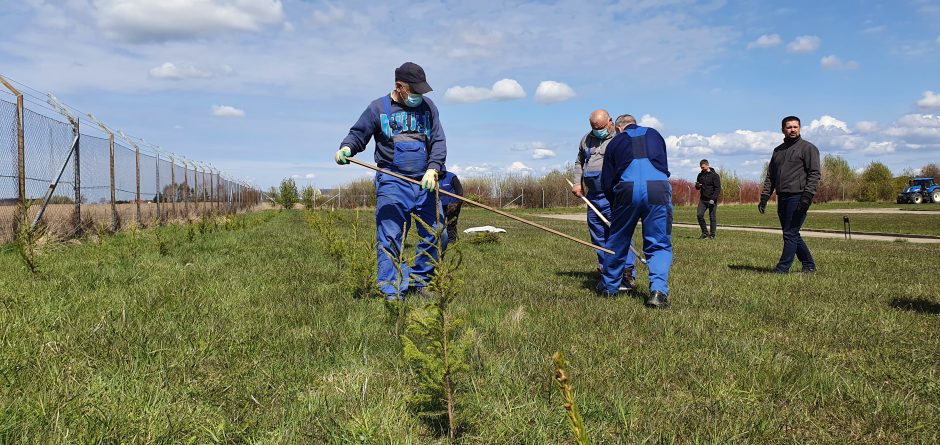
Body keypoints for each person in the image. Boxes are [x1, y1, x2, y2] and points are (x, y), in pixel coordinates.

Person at [335, 62, 447, 299]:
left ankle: (420, 281)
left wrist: (433, 169)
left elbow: (438, 140)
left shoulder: (428, 108)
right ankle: (392, 291)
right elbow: (358, 134)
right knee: (390, 236)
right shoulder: (378, 108)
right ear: (400, 86)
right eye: (415, 91)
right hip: (392, 181)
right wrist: (346, 148)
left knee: (437, 233)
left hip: (425, 181)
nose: (419, 96)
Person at [599, 116, 673, 308]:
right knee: (659, 242)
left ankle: (609, 288)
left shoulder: (615, 141)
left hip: (627, 189)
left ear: (618, 128)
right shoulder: (655, 134)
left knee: (618, 239)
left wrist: (614, 203)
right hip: (658, 188)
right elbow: (663, 164)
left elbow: (607, 181)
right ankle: (657, 292)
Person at [571, 110, 637, 290]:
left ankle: (627, 272)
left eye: (600, 127)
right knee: (598, 233)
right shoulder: (586, 140)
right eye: (593, 128)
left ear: (609, 121)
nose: (597, 131)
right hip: (593, 196)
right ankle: (606, 271)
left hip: (615, 194)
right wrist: (578, 183)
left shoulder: (620, 138)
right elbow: (579, 162)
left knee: (619, 232)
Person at [758, 115, 820, 274]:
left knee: (790, 233)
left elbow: (814, 174)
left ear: (800, 128)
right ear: (782, 129)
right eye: (789, 127)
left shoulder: (808, 148)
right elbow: (771, 176)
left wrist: (807, 196)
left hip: (798, 196)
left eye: (795, 127)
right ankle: (809, 265)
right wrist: (765, 197)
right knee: (792, 233)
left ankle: (782, 269)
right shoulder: (778, 151)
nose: (792, 129)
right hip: (782, 197)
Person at [695, 159, 721, 239]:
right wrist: (698, 186)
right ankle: (705, 233)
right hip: (703, 199)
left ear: (707, 165)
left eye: (703, 167)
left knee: (712, 217)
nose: (702, 169)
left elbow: (718, 188)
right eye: (701, 168)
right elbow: (697, 187)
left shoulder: (715, 175)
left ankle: (712, 235)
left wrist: (713, 199)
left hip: (712, 200)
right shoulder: (700, 175)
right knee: (699, 215)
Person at [438, 168, 463, 245]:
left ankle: (451, 240)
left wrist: (457, 204)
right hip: (439, 204)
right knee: (440, 223)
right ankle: (440, 240)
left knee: (451, 223)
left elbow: (460, 191)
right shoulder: (433, 177)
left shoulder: (451, 177)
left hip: (452, 204)